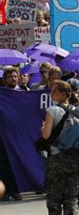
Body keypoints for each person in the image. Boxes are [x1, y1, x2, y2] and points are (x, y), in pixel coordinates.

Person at [41, 81, 79, 214]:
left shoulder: (53, 110)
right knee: (71, 197)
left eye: (54, 91)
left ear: (61, 94)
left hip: (56, 159)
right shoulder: (78, 110)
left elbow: (46, 136)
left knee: (54, 198)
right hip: (75, 158)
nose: (51, 94)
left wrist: (43, 128)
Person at [0, 68, 23, 201]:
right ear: (5, 79)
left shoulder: (24, 93)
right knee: (3, 163)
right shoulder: (2, 94)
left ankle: (16, 190)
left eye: (15, 76)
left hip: (18, 134)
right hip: (3, 135)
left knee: (17, 161)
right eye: (10, 77)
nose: (13, 79)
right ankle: (7, 191)